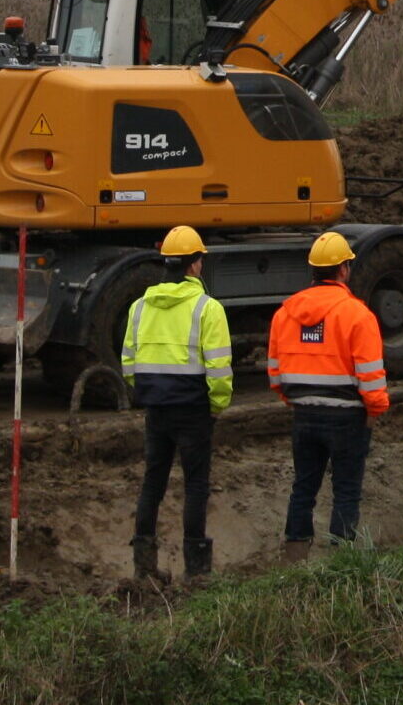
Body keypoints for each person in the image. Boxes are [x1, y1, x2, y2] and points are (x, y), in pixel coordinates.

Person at [268, 231, 390, 563]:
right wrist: (375, 409)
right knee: (346, 491)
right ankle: (342, 563)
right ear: (344, 270)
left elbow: (276, 374)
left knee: (303, 488)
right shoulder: (357, 314)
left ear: (313, 270)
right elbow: (370, 373)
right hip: (348, 417)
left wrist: (295, 401)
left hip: (304, 416)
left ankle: (294, 559)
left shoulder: (286, 313)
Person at [122, 224, 233, 581]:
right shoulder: (208, 308)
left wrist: (148, 392)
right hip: (194, 410)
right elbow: (218, 368)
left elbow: (128, 363)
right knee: (196, 484)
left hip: (156, 408)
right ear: (194, 265)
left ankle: (144, 566)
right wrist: (217, 405)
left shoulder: (140, 307)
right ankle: (196, 570)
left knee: (153, 481)